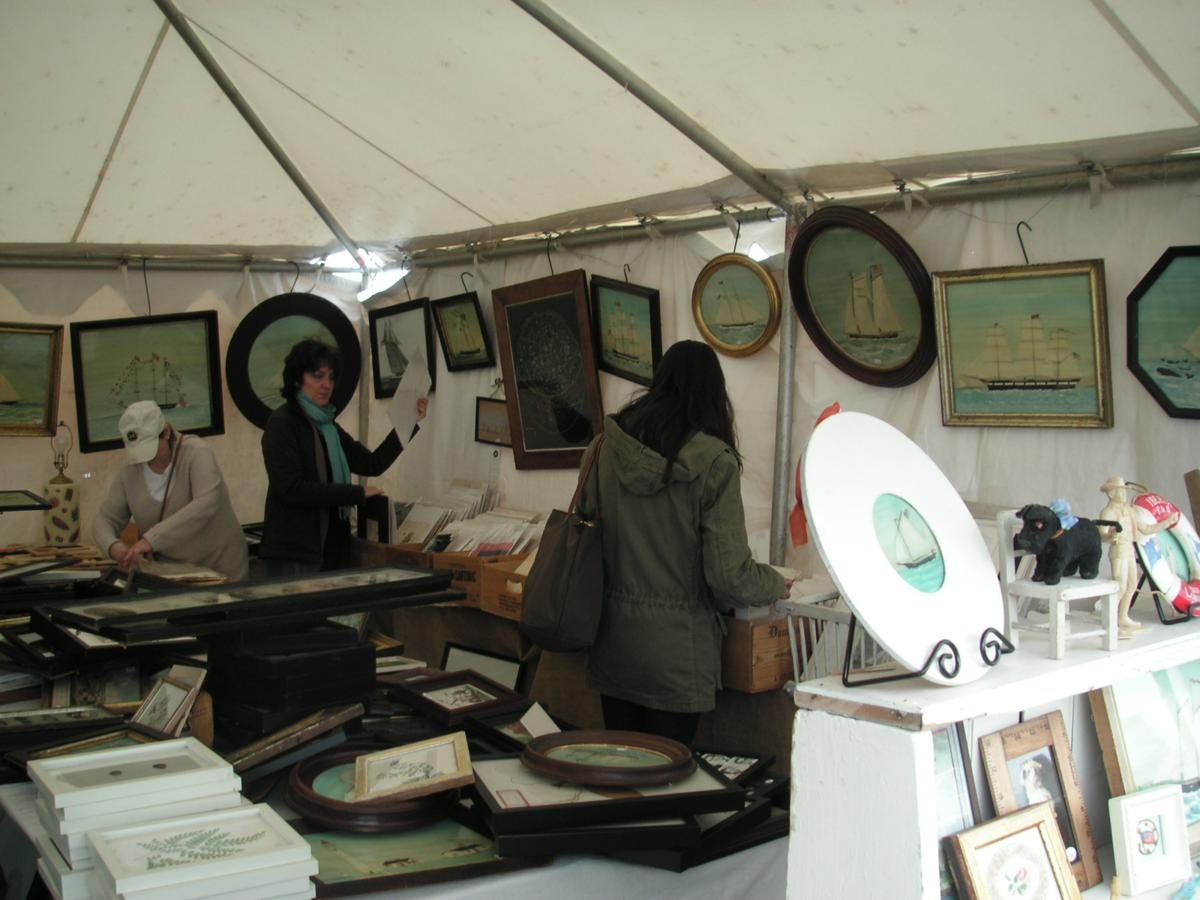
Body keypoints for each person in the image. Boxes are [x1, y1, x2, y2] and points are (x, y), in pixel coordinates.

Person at [576, 340, 792, 745]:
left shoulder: (603, 448)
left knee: (620, 769)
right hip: (678, 654)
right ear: (714, 394)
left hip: (612, 644)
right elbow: (729, 577)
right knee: (667, 774)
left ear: (658, 383)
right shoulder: (714, 463)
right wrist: (776, 582)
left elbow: (584, 537)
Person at [258, 338, 425, 574]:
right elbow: (291, 489)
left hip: (333, 548)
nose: (326, 384)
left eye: (331, 377)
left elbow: (371, 464)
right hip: (296, 554)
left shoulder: (328, 426)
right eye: (318, 376)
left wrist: (409, 422)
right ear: (297, 379)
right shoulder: (282, 424)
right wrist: (355, 493)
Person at [94, 400, 249, 581]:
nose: (146, 458)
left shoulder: (197, 452)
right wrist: (114, 547)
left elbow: (206, 503)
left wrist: (151, 540)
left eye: (150, 448)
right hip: (169, 574)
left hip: (220, 568)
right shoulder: (129, 471)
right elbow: (105, 520)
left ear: (166, 432)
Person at [1097, 475, 1177, 636]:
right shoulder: (1108, 512)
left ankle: (1123, 617)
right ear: (1112, 493)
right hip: (1118, 551)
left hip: (1129, 549)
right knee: (1120, 587)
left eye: (1124, 491)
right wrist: (1111, 535)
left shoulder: (1130, 510)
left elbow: (1146, 529)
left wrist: (1167, 522)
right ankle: (1110, 621)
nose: (1124, 494)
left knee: (1132, 585)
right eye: (1121, 491)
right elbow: (1102, 535)